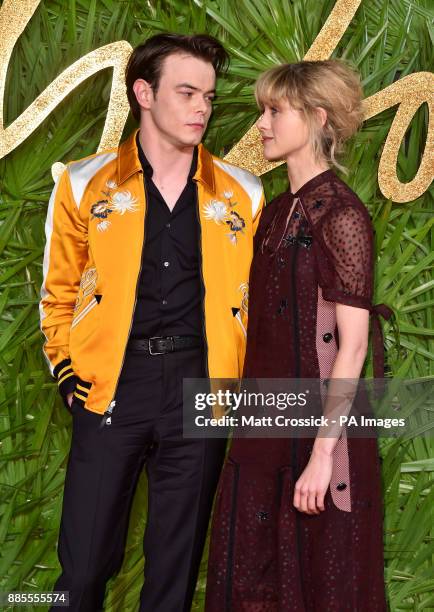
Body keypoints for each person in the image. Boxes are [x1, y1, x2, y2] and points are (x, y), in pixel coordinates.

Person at [39, 33, 265, 611]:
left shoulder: (243, 192)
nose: (200, 109)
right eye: (186, 92)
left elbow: (258, 300)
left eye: (209, 97)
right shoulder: (85, 183)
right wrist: (67, 372)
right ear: (143, 92)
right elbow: (58, 292)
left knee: (174, 572)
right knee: (84, 568)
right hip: (111, 384)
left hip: (202, 388)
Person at [205, 60, 391, 611]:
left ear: (316, 118)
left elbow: (353, 346)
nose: (261, 123)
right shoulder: (276, 211)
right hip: (262, 427)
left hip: (317, 435)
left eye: (274, 111)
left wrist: (320, 457)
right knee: (249, 582)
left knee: (322, 584)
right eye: (263, 110)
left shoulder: (341, 215)